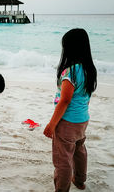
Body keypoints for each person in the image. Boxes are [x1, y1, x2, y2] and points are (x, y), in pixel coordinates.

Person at [43, 28, 97, 192]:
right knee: (79, 150)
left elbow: (65, 100)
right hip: (82, 119)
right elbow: (86, 96)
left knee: (63, 159)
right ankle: (80, 181)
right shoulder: (89, 69)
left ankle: (61, 189)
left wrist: (52, 124)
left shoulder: (70, 72)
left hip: (67, 122)